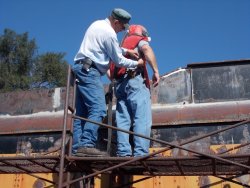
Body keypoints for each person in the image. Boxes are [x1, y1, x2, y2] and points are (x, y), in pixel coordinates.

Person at [72, 8, 144, 157]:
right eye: (122, 27)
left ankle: (77, 148)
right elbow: (118, 61)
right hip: (90, 71)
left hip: (81, 68)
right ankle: (86, 144)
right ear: (116, 22)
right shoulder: (109, 33)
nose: (121, 31)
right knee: (98, 109)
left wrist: (126, 51)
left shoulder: (97, 24)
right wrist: (137, 64)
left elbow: (109, 46)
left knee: (82, 113)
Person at [109, 25, 160, 157]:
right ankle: (140, 154)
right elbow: (146, 49)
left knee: (123, 121)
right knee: (141, 118)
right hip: (134, 81)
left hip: (119, 85)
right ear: (141, 33)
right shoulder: (138, 40)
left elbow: (109, 72)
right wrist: (155, 71)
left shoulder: (119, 47)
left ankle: (123, 153)